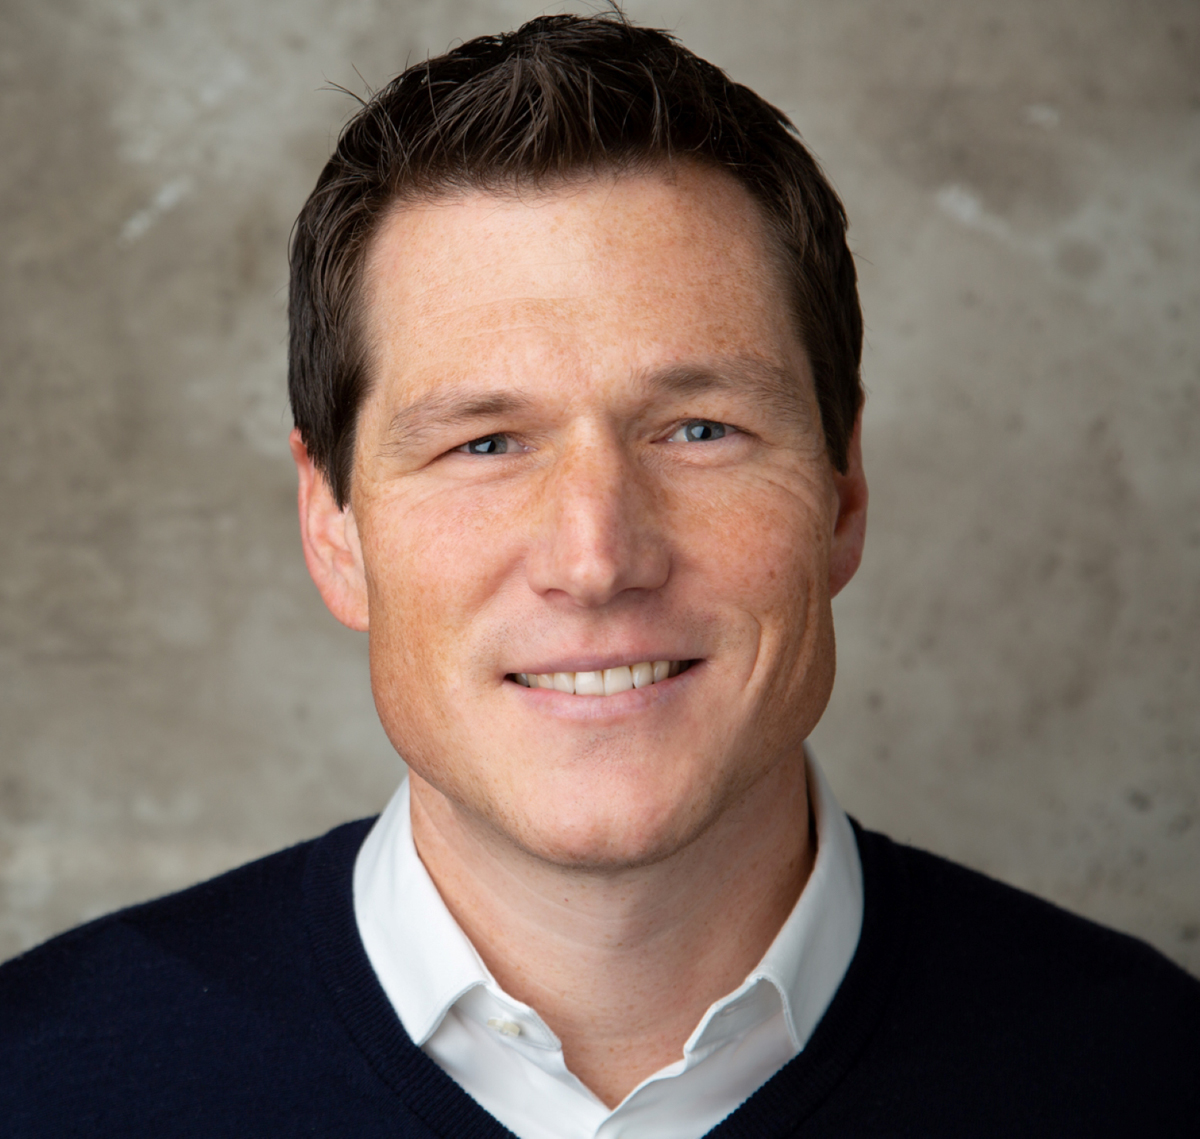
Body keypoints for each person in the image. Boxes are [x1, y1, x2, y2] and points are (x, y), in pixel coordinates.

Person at [1, 12, 1197, 1137]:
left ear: (842, 490)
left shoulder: (1151, 1072)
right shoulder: (40, 1082)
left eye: (699, 429)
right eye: (483, 442)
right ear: (334, 527)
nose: (596, 557)